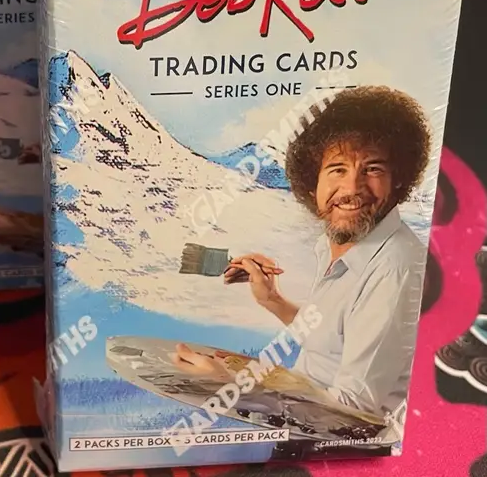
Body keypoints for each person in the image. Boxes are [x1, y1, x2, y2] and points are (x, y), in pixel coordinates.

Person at [174, 85, 431, 417]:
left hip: (339, 444)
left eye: (373, 169)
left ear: (398, 180)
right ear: (313, 183)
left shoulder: (395, 268)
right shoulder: (339, 244)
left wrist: (231, 386)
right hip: (305, 425)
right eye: (338, 169)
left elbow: (351, 410)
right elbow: (332, 343)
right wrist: (273, 300)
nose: (352, 188)